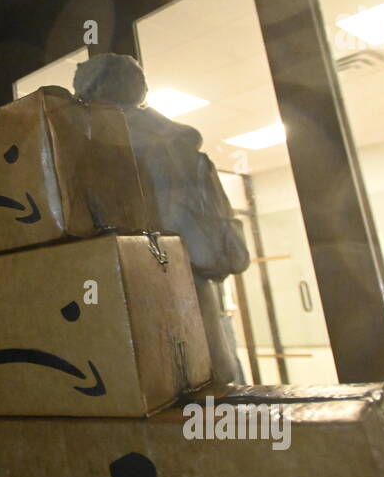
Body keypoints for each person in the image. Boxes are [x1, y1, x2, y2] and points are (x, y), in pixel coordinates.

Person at [72, 53, 251, 386]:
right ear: (140, 90)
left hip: (130, 297)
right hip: (200, 296)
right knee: (216, 400)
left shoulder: (92, 150)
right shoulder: (182, 146)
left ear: (89, 96)